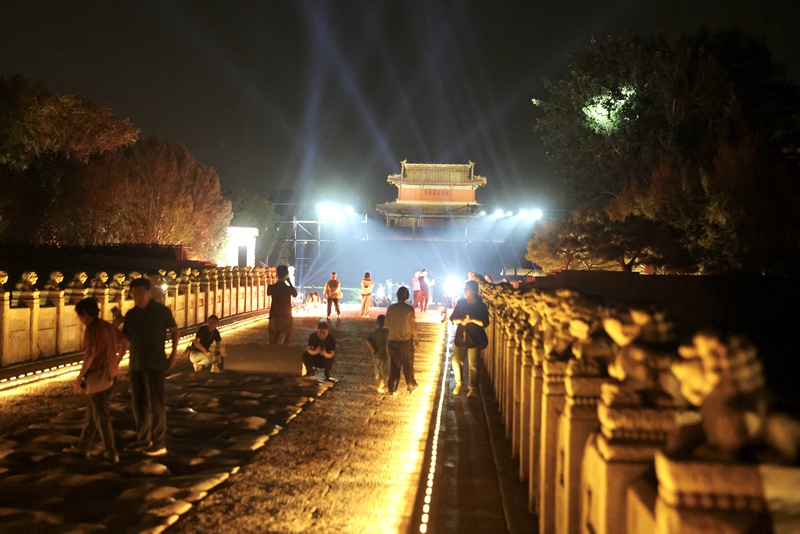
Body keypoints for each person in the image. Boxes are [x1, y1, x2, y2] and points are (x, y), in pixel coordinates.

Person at [121, 277, 179, 456]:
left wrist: (174, 354)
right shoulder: (132, 315)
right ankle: (143, 438)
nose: (138, 297)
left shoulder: (161, 311)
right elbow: (125, 340)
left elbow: (175, 331)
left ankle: (159, 442)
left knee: (156, 403)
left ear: (149, 292)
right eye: (134, 294)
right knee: (139, 404)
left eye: (141, 293)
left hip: (156, 363)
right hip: (136, 364)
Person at [65, 297, 127, 464]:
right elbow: (126, 341)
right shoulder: (107, 326)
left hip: (98, 377)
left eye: (80, 317)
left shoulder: (92, 330)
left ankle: (111, 451)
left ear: (85, 314)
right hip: (111, 375)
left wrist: (79, 379)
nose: (80, 321)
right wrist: (118, 359)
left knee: (101, 416)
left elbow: (90, 354)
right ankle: (83, 447)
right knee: (92, 413)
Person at [450, 280, 490, 398]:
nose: (465, 290)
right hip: (461, 337)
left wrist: (472, 319)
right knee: (456, 361)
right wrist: (461, 321)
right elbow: (453, 318)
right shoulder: (461, 303)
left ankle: (473, 388)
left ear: (473, 291)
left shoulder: (481, 306)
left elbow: (485, 322)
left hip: (475, 338)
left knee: (473, 364)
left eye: (467, 288)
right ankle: (459, 383)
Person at [385, 286, 418, 394]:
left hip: (392, 340)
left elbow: (386, 324)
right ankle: (411, 385)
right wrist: (416, 340)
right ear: (407, 296)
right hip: (405, 341)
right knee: (408, 364)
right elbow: (413, 326)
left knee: (394, 365)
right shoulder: (409, 309)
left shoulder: (391, 308)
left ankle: (392, 387)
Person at [267, 265, 297, 345]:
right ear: (286, 275)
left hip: (274, 316)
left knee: (272, 342)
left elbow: (268, 292)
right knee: (286, 342)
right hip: (286, 316)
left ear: (277, 274)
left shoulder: (271, 287)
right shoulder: (288, 289)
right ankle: (284, 356)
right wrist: (289, 282)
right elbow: (295, 294)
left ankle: (272, 356)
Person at [366, 314, 390, 393]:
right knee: (384, 372)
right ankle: (380, 387)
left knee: (377, 371)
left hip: (376, 355)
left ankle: (379, 385)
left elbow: (367, 341)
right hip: (384, 354)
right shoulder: (386, 332)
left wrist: (373, 349)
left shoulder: (374, 333)